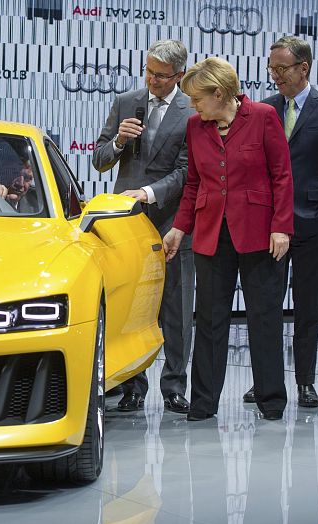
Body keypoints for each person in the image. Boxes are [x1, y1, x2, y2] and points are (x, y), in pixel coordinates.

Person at [163, 57, 294, 421]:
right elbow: (193, 184)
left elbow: (282, 175)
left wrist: (281, 226)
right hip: (210, 234)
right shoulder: (195, 126)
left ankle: (271, 402)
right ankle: (204, 404)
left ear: (219, 93)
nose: (193, 105)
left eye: (198, 98)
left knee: (264, 319)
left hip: (259, 233)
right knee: (209, 321)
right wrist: (179, 227)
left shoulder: (265, 116)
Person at [240, 36, 318, 408]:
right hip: (268, 225)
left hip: (311, 225)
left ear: (303, 68)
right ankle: (266, 382)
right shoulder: (265, 109)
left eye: (281, 69)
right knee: (265, 307)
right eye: (271, 68)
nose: (275, 76)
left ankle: (306, 382)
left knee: (308, 307)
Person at [92, 39, 196, 414]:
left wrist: (150, 193)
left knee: (177, 306)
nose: (153, 80)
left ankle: (174, 386)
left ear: (179, 76)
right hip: (127, 224)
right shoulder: (126, 101)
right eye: (149, 71)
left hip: (172, 220)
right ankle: (133, 386)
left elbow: (188, 171)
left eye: (162, 76)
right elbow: (98, 160)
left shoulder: (191, 110)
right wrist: (119, 141)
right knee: (131, 306)